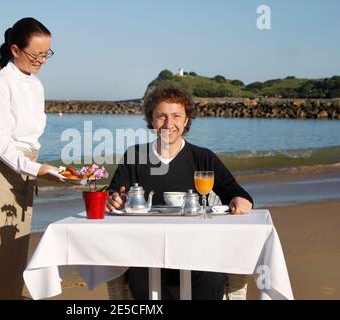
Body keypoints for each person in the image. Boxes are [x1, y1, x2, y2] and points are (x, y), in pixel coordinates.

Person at [105, 86, 253, 300]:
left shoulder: (203, 157)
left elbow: (236, 193)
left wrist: (241, 199)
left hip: (197, 251)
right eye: (161, 116)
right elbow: (113, 192)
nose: (168, 124)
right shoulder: (135, 155)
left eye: (176, 116)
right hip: (147, 253)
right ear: (151, 120)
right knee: (140, 276)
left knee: (212, 276)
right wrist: (114, 199)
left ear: (186, 120)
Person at [0, 17, 62, 299]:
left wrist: (36, 168)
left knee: (14, 257)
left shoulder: (36, 85)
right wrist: (36, 168)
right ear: (15, 49)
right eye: (37, 54)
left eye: (47, 54)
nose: (42, 60)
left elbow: (22, 136)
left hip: (24, 173)